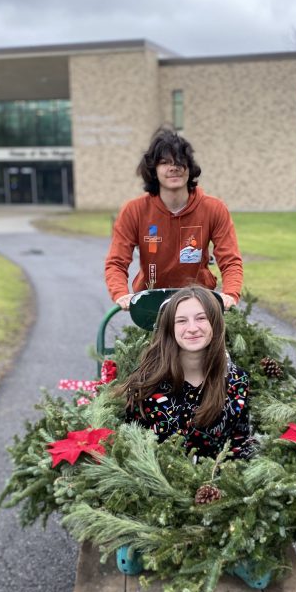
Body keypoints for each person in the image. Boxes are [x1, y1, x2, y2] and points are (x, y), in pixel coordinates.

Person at [105, 128, 243, 311]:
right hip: (152, 304)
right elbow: (116, 262)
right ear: (154, 170)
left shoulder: (214, 209)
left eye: (179, 161)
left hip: (199, 302)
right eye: (164, 162)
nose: (174, 167)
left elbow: (230, 260)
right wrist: (121, 294)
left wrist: (230, 293)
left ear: (189, 167)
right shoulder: (134, 211)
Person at [119, 285, 252, 460]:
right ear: (170, 329)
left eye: (201, 318)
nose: (192, 328)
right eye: (181, 321)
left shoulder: (237, 382)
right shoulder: (146, 384)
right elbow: (132, 447)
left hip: (217, 480)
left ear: (215, 323)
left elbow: (240, 445)